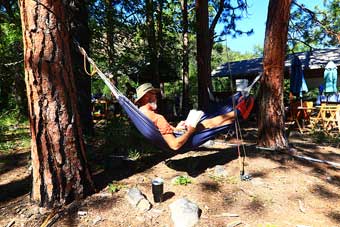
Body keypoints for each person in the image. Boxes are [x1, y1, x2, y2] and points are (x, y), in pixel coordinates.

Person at [134, 83, 254, 151]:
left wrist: (176, 128)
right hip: (181, 140)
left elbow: (162, 130)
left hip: (175, 134)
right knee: (207, 125)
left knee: (206, 123)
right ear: (146, 97)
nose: (156, 97)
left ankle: (236, 115)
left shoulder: (140, 113)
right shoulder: (157, 117)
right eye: (153, 94)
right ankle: (237, 114)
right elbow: (174, 145)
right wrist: (189, 131)